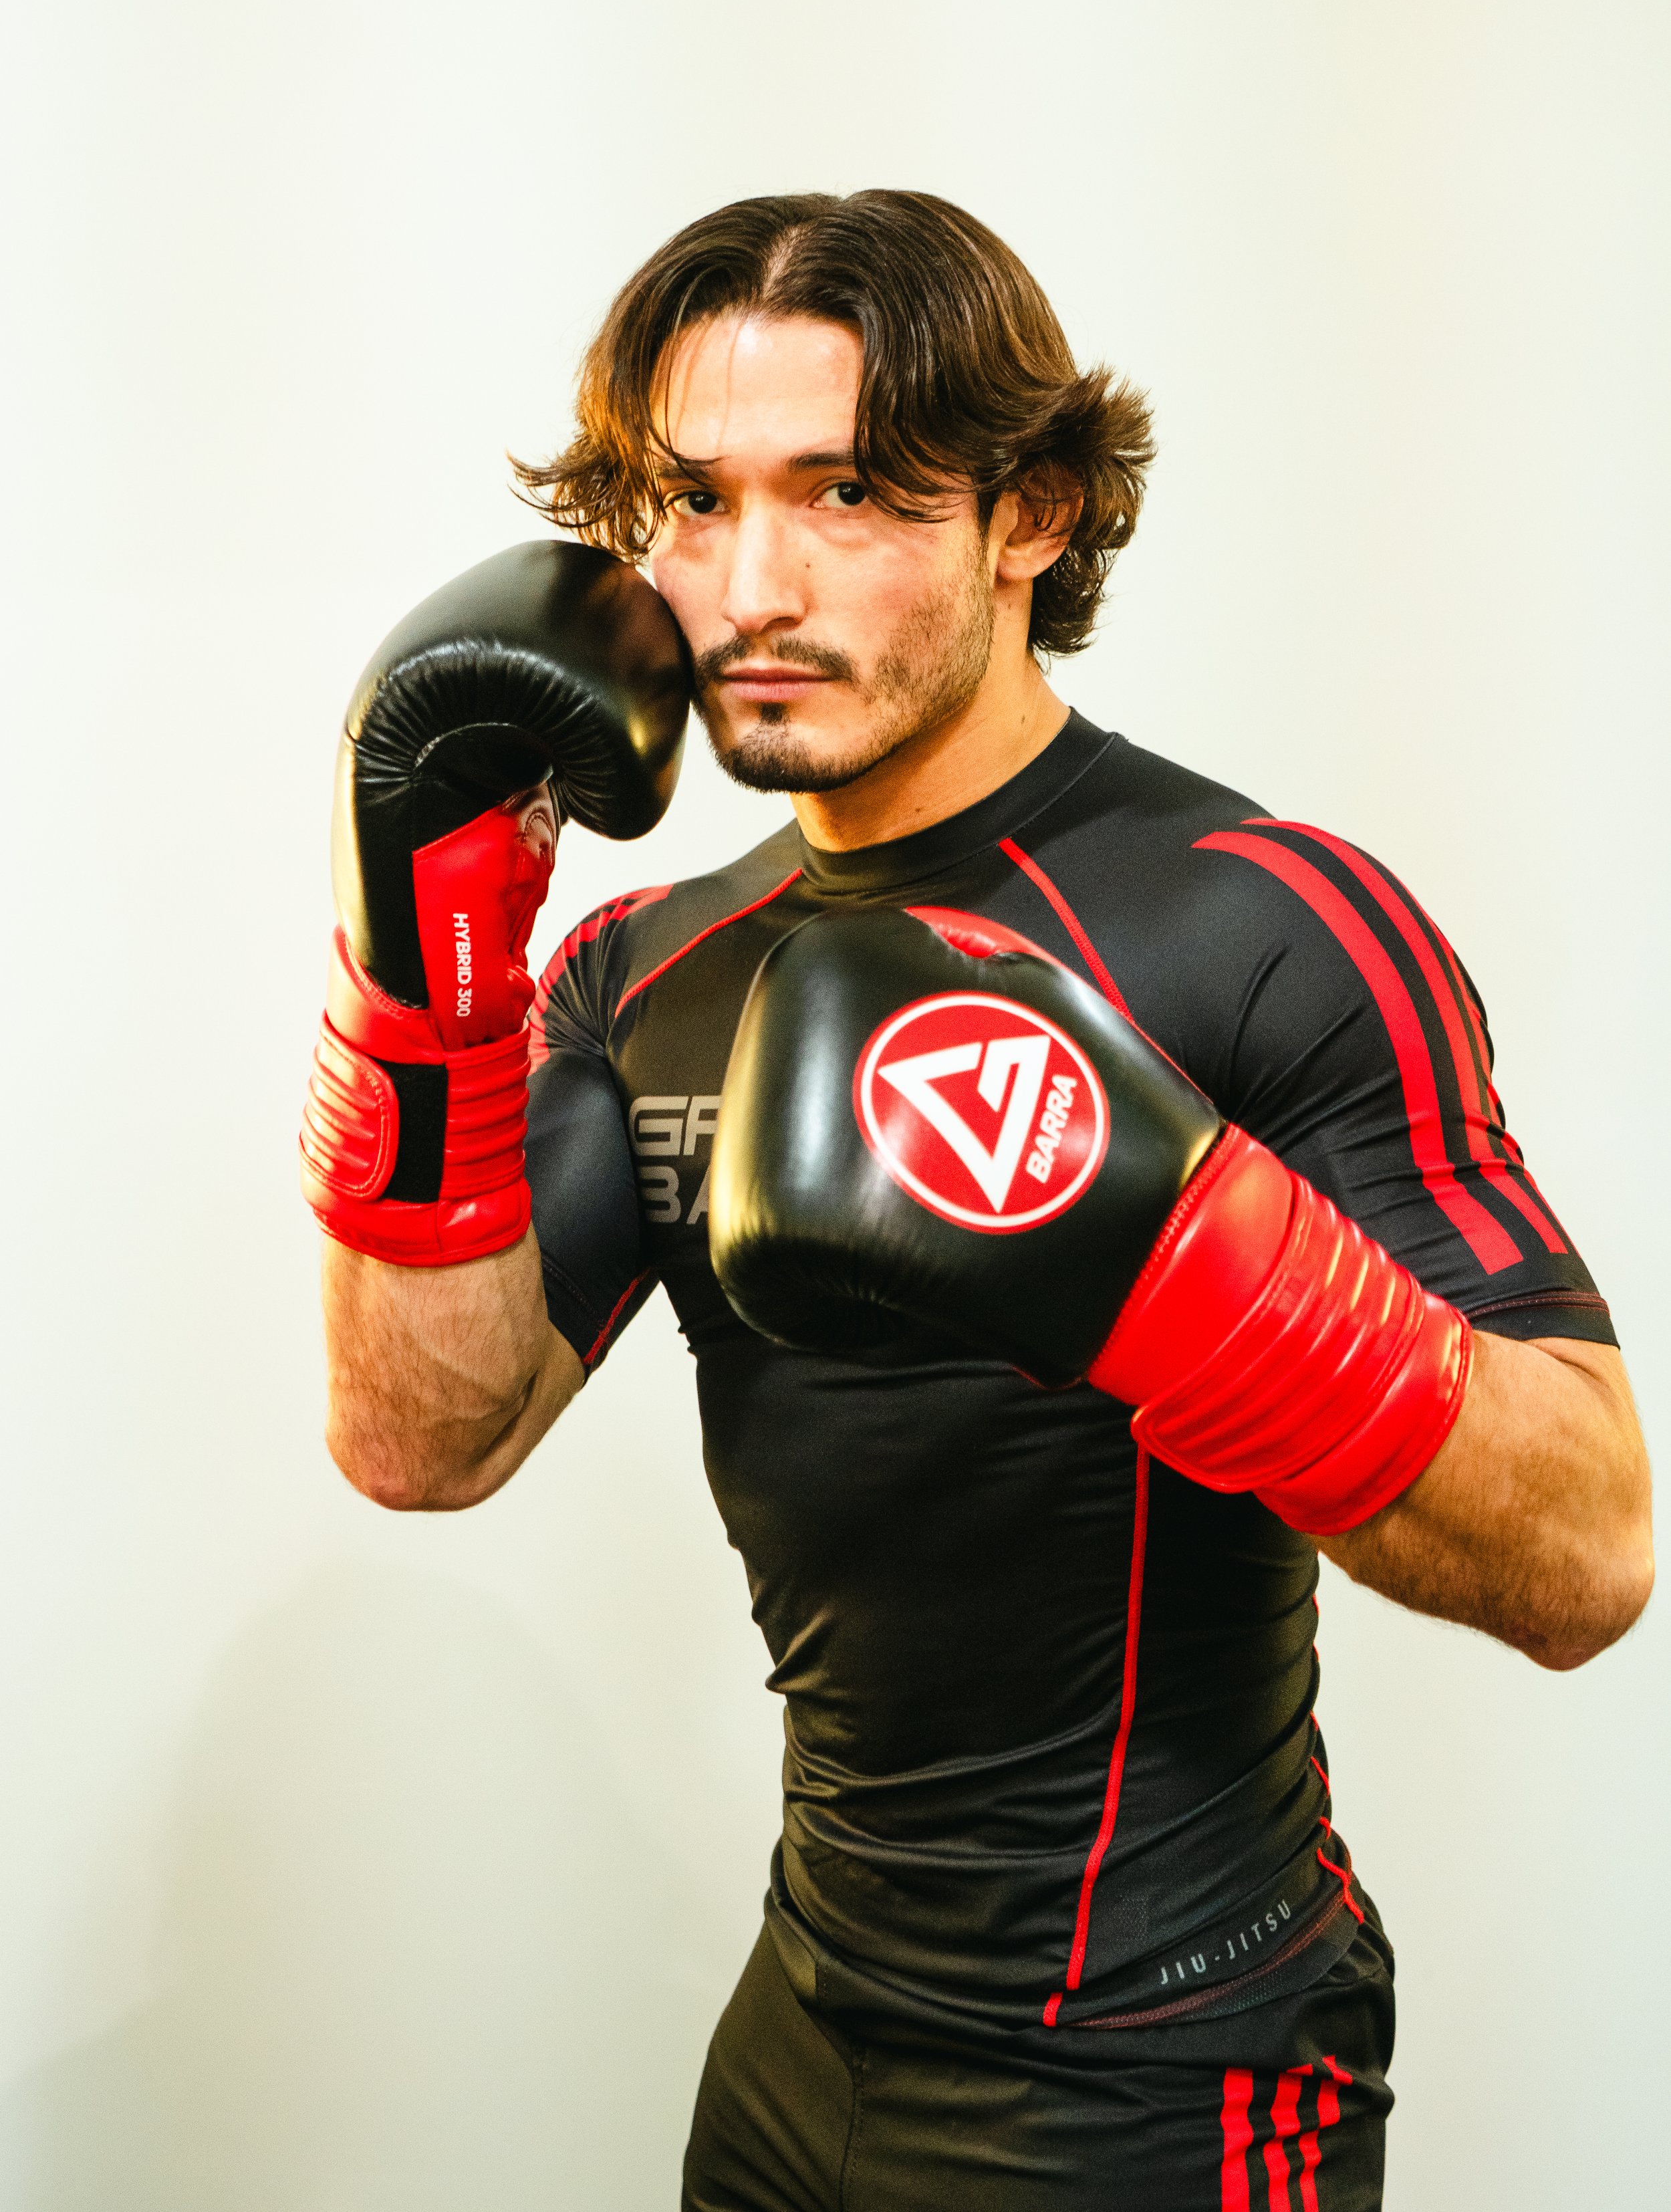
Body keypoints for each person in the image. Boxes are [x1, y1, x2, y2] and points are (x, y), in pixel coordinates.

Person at [303, 192, 1652, 2211]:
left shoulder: (1263, 929)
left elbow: (1589, 1553)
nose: (747, 584)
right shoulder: (648, 967)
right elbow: (420, 1434)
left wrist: (1174, 1258)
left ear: (1028, 513)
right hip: (803, 2021)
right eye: (692, 499)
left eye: (844, 491)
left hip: (1156, 2064)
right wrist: (419, 965)